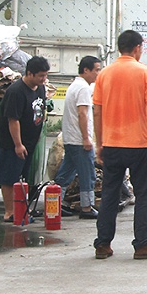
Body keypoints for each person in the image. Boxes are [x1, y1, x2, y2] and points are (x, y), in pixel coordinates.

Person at [92, 30, 147, 260]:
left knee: (109, 195)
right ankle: (143, 243)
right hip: (138, 144)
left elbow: (97, 110)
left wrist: (99, 143)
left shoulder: (104, 74)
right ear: (137, 48)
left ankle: (103, 244)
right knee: (144, 195)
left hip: (112, 143)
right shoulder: (145, 73)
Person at [0, 56, 49, 223]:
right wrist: (18, 145)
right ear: (29, 73)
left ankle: (22, 210)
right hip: (12, 144)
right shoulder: (16, 91)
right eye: (40, 75)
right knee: (9, 177)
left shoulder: (39, 88)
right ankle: (9, 212)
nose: (43, 79)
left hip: (30, 143)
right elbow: (13, 120)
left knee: (22, 179)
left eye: (45, 75)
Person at [53, 55, 101, 219]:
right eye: (96, 70)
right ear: (86, 70)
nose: (98, 73)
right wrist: (86, 139)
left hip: (71, 138)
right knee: (88, 174)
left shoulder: (75, 85)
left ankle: (54, 203)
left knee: (66, 173)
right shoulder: (83, 89)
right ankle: (87, 207)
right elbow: (82, 114)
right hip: (79, 140)